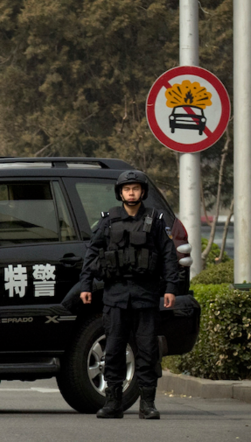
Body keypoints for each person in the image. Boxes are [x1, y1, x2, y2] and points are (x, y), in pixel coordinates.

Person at [79, 170, 178, 420]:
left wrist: (170, 288)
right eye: (126, 189)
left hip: (145, 294)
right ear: (120, 192)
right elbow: (92, 253)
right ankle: (114, 402)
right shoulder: (109, 220)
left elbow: (168, 255)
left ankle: (148, 404)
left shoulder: (155, 220)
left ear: (142, 191)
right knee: (113, 349)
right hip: (116, 294)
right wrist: (85, 286)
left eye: (135, 188)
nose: (131, 193)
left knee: (147, 349)